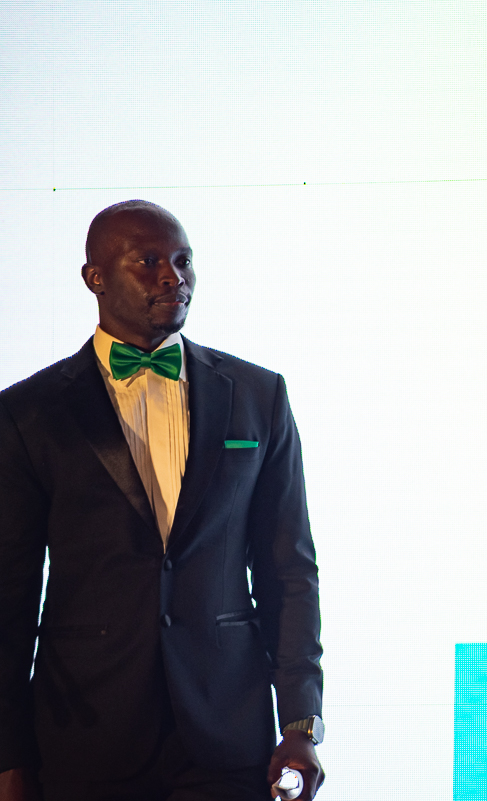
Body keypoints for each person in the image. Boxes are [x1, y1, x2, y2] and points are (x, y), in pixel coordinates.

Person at [0, 201, 325, 800]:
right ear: (95, 278)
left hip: (227, 735)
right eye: (148, 262)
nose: (173, 277)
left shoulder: (258, 395)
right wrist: (8, 757)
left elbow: (288, 572)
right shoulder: (28, 413)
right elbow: (8, 600)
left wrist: (301, 723)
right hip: (85, 739)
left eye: (183, 261)